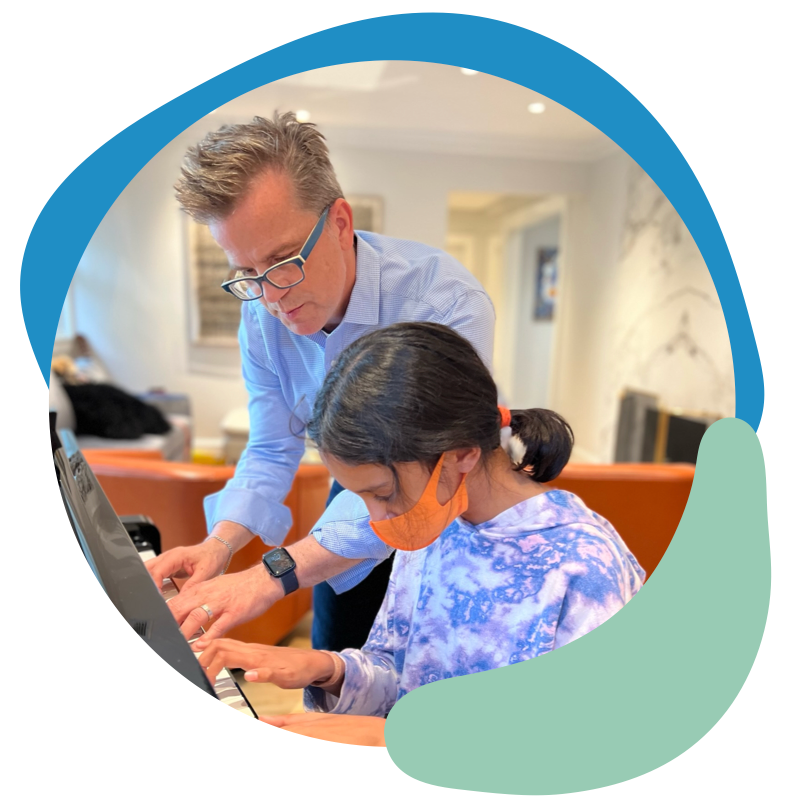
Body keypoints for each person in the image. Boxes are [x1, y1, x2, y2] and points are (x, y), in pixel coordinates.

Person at [194, 322, 646, 746]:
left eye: (382, 493)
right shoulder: (435, 525)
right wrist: (328, 670)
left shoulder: (584, 567)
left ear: (461, 455)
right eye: (360, 498)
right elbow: (401, 675)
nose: (375, 518)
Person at [145, 112, 495, 651]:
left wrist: (270, 576)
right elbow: (271, 445)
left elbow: (422, 477)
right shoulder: (261, 314)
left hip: (455, 511)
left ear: (340, 223)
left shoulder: (443, 301)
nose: (271, 296)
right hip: (353, 499)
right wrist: (220, 544)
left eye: (283, 260)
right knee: (337, 666)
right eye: (247, 272)